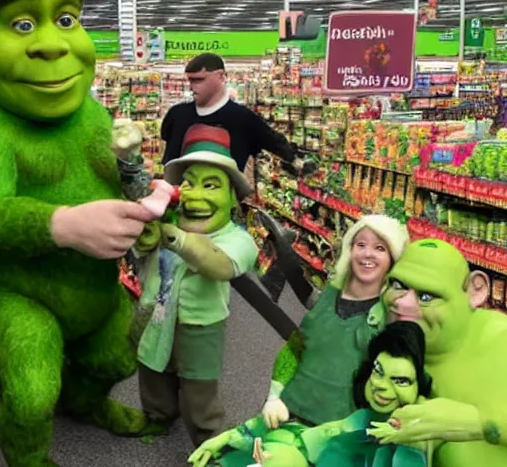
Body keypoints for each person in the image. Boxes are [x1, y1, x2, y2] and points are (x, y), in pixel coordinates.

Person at [0, 0, 157, 464]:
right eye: (21, 23)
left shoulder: (94, 114)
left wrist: (148, 202)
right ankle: (28, 456)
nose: (53, 44)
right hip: (23, 295)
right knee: (32, 393)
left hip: (99, 291)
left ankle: (85, 405)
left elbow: (121, 179)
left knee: (119, 357)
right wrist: (63, 224)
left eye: (66, 19)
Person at [373, 238, 507, 466]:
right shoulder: (392, 347)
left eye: (427, 297)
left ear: (476, 292)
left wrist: (477, 422)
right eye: (397, 285)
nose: (401, 304)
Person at [133, 125, 259, 447]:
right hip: (156, 311)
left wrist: (176, 238)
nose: (196, 196)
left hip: (199, 324)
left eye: (211, 185)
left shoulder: (238, 238)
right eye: (189, 183)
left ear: (232, 197)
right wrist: (144, 233)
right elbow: (139, 253)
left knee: (197, 387)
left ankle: (208, 440)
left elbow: (218, 265)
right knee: (152, 370)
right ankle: (158, 416)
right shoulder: (167, 220)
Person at [189, 321, 432, 467]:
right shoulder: (360, 421)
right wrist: (225, 439)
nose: (381, 386)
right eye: (378, 372)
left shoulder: (409, 447)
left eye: (400, 381)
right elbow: (302, 440)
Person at [261, 214, 410, 430]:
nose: (367, 254)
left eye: (380, 248)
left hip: (341, 430)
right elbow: (295, 349)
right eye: (361, 244)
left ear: (392, 259)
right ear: (350, 250)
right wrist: (274, 396)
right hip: (289, 411)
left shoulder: (391, 315)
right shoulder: (329, 295)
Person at [160, 53, 306, 173]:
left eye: (198, 80)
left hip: (223, 202)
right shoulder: (176, 114)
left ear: (220, 76)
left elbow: (274, 141)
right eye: (190, 80)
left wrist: (295, 161)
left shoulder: (243, 119)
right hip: (175, 199)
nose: (191, 87)